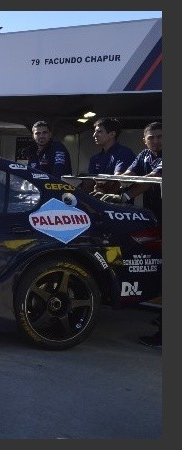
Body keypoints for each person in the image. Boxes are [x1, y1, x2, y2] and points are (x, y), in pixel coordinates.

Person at [98, 122, 162, 348]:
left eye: (159, 137)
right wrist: (109, 187)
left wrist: (123, 197)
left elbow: (148, 181)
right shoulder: (144, 154)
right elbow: (129, 174)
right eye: (151, 137)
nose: (155, 141)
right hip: (157, 218)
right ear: (144, 140)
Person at [80, 117, 135, 195]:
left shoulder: (125, 153)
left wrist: (103, 193)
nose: (94, 135)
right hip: (95, 203)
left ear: (112, 134)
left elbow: (117, 180)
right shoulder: (95, 158)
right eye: (95, 131)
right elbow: (91, 182)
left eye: (99, 131)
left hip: (118, 204)